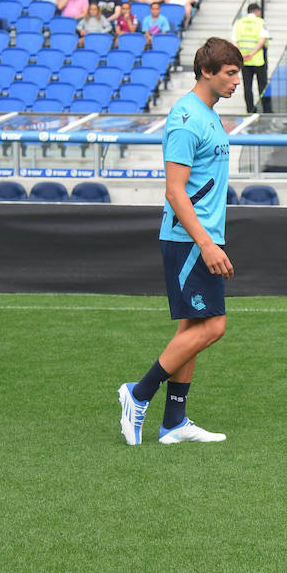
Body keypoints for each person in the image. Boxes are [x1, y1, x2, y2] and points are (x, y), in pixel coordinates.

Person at [117, 37, 243, 447]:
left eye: (238, 73)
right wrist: (206, 243)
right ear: (207, 71)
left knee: (193, 326)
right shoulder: (186, 118)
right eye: (230, 73)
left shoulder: (208, 115)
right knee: (214, 326)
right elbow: (175, 190)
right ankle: (138, 393)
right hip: (189, 241)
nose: (236, 81)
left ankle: (173, 422)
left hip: (199, 238)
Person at [233, 3, 269, 113]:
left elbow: (233, 41)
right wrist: (252, 53)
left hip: (244, 60)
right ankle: (266, 110)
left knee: (247, 87)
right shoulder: (260, 22)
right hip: (258, 60)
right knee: (262, 86)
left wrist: (242, 54)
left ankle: (250, 110)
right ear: (257, 11)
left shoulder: (238, 23)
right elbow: (262, 40)